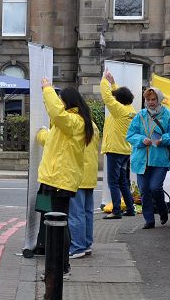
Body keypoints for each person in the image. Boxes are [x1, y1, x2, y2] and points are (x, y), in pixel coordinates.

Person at [37, 78, 94, 276]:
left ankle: (60, 269)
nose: (59, 103)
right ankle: (58, 268)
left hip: (60, 181)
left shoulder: (74, 121)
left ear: (68, 102)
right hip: (53, 179)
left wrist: (47, 89)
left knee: (58, 228)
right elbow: (53, 140)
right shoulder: (68, 123)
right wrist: (40, 134)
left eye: (61, 100)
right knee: (53, 225)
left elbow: (56, 112)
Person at [126, 87, 170, 229]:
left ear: (159, 99)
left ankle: (163, 211)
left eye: (153, 99)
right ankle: (149, 220)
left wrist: (164, 139)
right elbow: (130, 135)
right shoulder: (140, 116)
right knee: (144, 190)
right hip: (141, 160)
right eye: (148, 99)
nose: (150, 102)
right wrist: (142, 139)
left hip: (160, 159)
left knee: (155, 188)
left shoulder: (169, 115)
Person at [100, 69, 137, 219]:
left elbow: (108, 98)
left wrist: (104, 80)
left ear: (119, 101)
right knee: (123, 181)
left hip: (115, 150)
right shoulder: (129, 109)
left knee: (113, 182)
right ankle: (130, 208)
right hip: (125, 151)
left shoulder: (119, 111)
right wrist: (113, 83)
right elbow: (118, 97)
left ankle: (116, 211)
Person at [68, 122, 100, 258]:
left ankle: (77, 247)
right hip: (90, 174)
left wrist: (41, 133)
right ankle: (86, 244)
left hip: (78, 173)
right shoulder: (93, 125)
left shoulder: (74, 123)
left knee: (76, 213)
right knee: (87, 212)